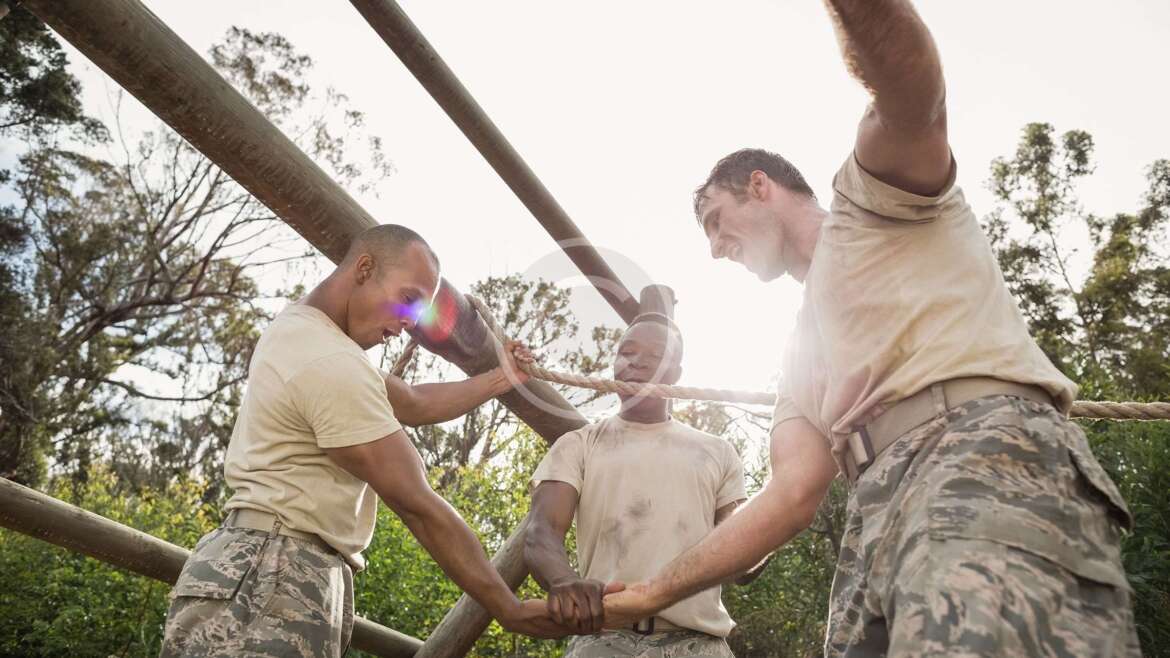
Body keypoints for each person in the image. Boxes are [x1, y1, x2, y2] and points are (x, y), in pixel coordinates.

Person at [602, 2, 1139, 656]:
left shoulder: (873, 200)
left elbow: (911, 91)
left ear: (760, 186)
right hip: (874, 518)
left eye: (716, 220)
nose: (715, 248)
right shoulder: (798, 356)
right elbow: (790, 493)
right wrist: (655, 591)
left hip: (980, 456)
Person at [159, 224, 567, 658]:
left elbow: (412, 401)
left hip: (274, 568)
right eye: (408, 298)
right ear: (365, 268)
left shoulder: (305, 332)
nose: (410, 322)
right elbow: (417, 503)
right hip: (270, 573)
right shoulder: (328, 360)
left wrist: (503, 377)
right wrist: (508, 607)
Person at [525, 312, 760, 657]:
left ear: (676, 373)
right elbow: (541, 531)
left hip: (699, 644)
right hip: (603, 639)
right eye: (627, 352)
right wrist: (563, 581)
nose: (637, 362)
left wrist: (781, 509)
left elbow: (743, 552)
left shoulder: (717, 451)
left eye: (655, 355)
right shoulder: (578, 444)